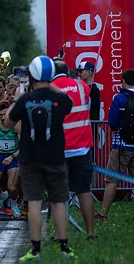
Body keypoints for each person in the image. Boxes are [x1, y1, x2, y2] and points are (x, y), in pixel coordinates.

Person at [3, 56, 75, 261]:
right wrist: (51, 86)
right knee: (59, 201)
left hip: (30, 158)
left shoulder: (25, 100)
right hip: (55, 157)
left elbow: (7, 123)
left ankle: (35, 250)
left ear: (32, 75)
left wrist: (18, 97)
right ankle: (64, 247)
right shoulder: (58, 99)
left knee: (34, 202)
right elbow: (68, 103)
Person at [52, 60, 96, 238]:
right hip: (82, 148)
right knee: (84, 190)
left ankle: (58, 234)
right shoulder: (81, 86)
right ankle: (91, 232)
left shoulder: (49, 89)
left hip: (58, 150)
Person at [97, 69, 134, 222]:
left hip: (121, 146)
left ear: (123, 81)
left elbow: (112, 123)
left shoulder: (119, 98)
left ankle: (104, 214)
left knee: (112, 180)